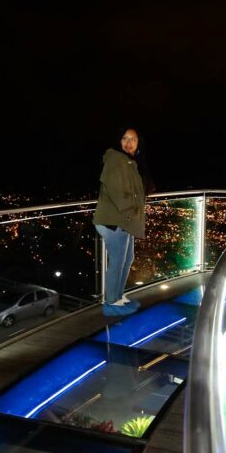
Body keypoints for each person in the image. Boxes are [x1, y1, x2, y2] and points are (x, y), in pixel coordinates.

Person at [93, 127, 151, 317]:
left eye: (133, 139)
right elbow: (117, 190)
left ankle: (118, 296)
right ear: (118, 140)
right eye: (125, 138)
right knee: (118, 261)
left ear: (138, 143)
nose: (128, 142)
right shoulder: (115, 158)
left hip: (124, 220)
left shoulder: (130, 162)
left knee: (127, 259)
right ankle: (111, 302)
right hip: (114, 220)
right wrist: (130, 211)